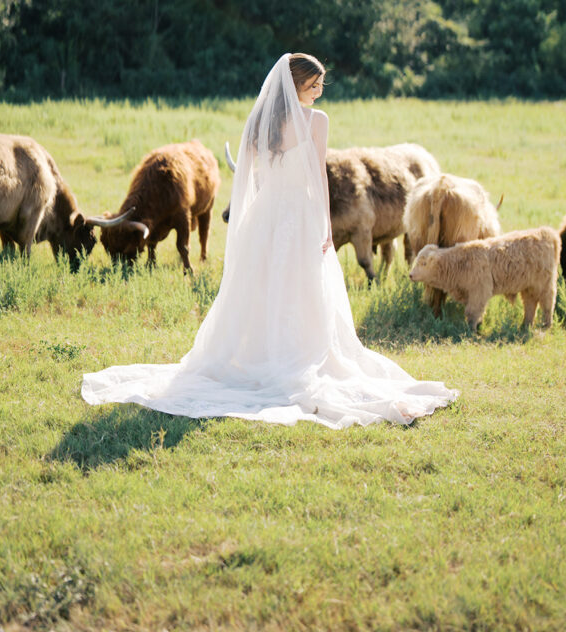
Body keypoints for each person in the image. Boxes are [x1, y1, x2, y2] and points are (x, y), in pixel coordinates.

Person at [82, 53, 458, 428]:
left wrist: (251, 216)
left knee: (270, 283)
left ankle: (267, 351)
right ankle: (288, 355)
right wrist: (324, 223)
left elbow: (249, 175)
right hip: (299, 213)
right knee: (294, 283)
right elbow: (318, 176)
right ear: (294, 85)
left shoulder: (260, 122)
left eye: (320, 85)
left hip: (266, 213)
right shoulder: (317, 121)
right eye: (313, 85)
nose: (319, 91)